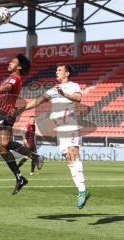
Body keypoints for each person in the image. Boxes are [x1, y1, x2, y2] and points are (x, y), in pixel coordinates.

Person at [16, 63, 90, 209]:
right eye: (56, 70)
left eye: (60, 70)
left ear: (67, 73)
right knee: (69, 160)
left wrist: (63, 94)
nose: (57, 72)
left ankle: (82, 190)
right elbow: (37, 101)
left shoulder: (73, 85)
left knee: (73, 155)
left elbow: (78, 98)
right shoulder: (52, 90)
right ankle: (82, 190)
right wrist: (20, 109)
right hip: (60, 129)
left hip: (70, 124)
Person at [0, 54, 43, 195]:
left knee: (5, 142)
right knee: (1, 149)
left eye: (13, 62)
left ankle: (35, 156)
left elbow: (7, 88)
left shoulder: (15, 78)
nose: (9, 63)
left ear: (18, 67)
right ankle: (19, 178)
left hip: (7, 114)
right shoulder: (8, 79)